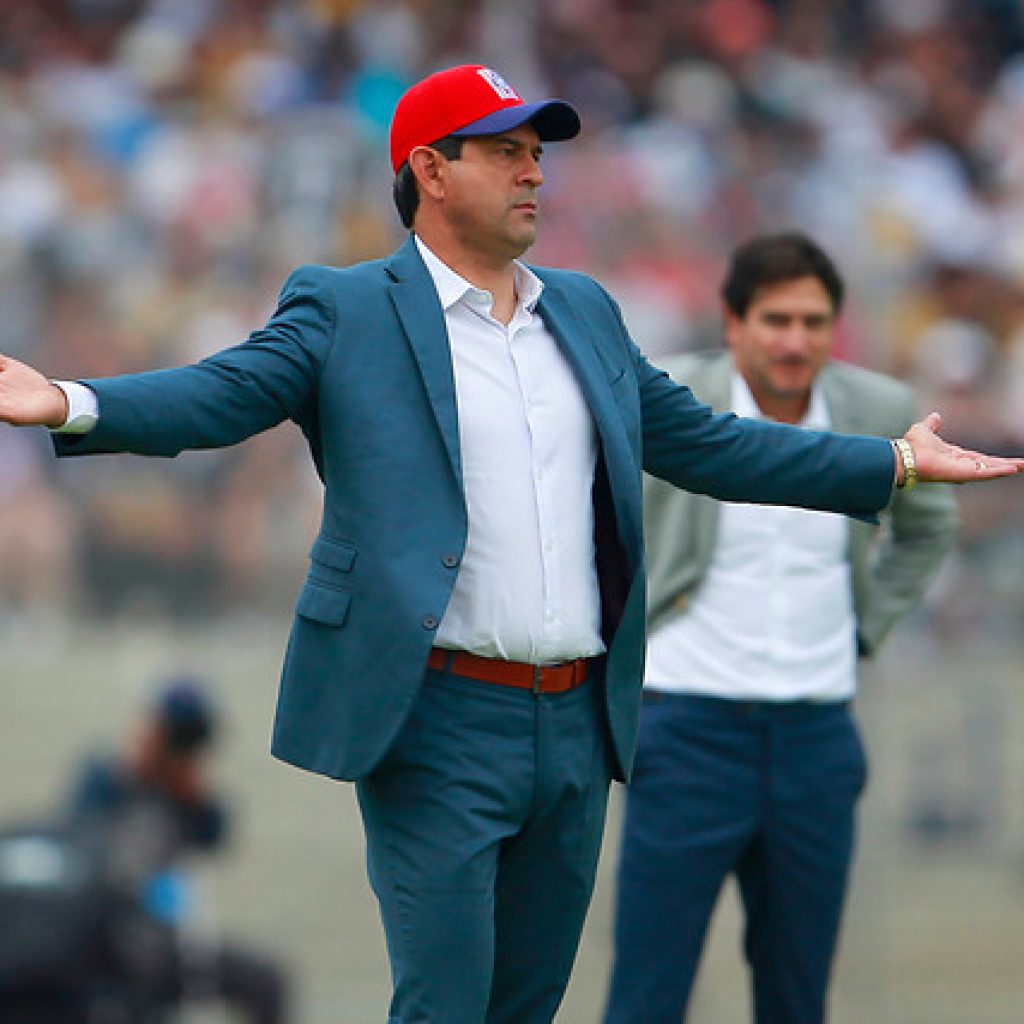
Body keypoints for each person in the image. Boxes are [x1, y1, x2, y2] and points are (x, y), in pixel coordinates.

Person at [0, 65, 1018, 1024]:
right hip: (437, 718)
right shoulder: (346, 306)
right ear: (430, 170)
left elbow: (712, 444)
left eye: (536, 152)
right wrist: (71, 402)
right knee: (446, 1003)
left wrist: (890, 462)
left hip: (576, 721)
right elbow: (221, 394)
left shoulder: (583, 310)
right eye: (503, 150)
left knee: (525, 1005)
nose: (534, 170)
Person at [602, 232, 961, 1024]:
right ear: (733, 323)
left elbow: (930, 528)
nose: (795, 340)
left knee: (797, 994)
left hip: (816, 734)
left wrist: (866, 629)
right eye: (776, 320)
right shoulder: (675, 396)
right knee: (648, 991)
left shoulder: (879, 408)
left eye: (813, 321)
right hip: (685, 726)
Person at [67, 679, 289, 1024]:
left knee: (265, 981)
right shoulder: (105, 778)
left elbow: (216, 835)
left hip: (167, 941)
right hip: (104, 940)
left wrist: (191, 793)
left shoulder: (187, 796)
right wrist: (132, 770)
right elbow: (76, 832)